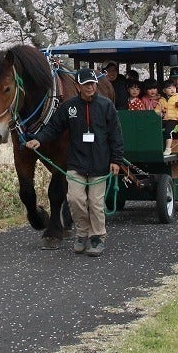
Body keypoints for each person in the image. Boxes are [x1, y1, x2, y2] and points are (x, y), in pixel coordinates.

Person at [25, 69, 125, 257]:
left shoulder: (106, 106)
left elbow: (116, 135)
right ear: (78, 86)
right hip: (76, 163)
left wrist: (116, 160)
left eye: (92, 84)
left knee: (95, 203)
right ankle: (82, 232)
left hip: (99, 163)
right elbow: (53, 128)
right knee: (75, 200)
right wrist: (39, 139)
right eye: (86, 84)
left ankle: (97, 237)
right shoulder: (69, 108)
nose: (90, 87)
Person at [160, 79, 178, 155]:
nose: (172, 89)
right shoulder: (161, 100)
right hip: (164, 119)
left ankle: (168, 149)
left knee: (168, 131)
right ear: (164, 90)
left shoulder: (177, 97)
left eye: (173, 87)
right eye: (169, 88)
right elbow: (157, 109)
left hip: (173, 120)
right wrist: (159, 112)